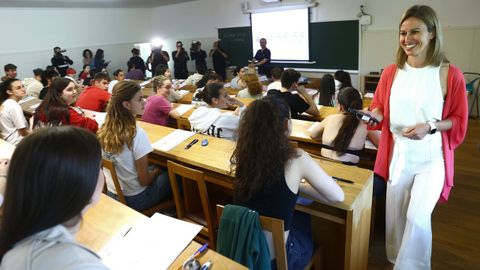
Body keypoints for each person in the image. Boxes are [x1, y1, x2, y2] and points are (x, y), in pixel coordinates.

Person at [363, 5, 468, 269]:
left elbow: (457, 120)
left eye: (415, 32)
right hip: (399, 154)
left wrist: (430, 125)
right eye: (402, 33)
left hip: (431, 158)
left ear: (432, 33)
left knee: (417, 217)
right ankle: (396, 260)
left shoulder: (448, 73)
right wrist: (374, 115)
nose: (407, 39)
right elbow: (380, 108)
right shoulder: (391, 73)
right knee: (396, 219)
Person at [231, 95, 344, 269]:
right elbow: (337, 196)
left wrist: (295, 186)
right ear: (286, 124)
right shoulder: (296, 157)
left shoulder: (244, 154)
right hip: (278, 261)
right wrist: (298, 186)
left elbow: (275, 187)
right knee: (304, 217)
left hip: (246, 250)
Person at [0, 126, 108, 269]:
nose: (102, 174)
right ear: (79, 181)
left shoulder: (15, 248)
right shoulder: (79, 264)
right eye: (99, 167)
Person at [97, 81, 172, 211]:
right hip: (136, 199)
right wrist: (155, 173)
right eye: (139, 99)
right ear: (126, 105)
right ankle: (172, 211)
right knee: (174, 175)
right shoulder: (136, 134)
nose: (144, 102)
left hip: (113, 194)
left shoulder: (104, 129)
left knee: (154, 166)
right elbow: (144, 181)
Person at [309, 87, 367, 164]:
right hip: (349, 173)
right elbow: (380, 143)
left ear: (340, 106)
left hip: (324, 171)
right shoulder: (365, 123)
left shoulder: (330, 118)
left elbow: (313, 135)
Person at [34, 77, 98, 133]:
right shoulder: (67, 113)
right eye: (70, 90)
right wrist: (88, 116)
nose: (75, 91)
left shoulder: (44, 106)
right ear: (59, 94)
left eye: (74, 88)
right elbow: (93, 127)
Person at [0, 78, 28, 145]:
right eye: (18, 88)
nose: (23, 89)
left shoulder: (6, 103)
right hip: (16, 141)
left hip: (8, 138)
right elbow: (23, 132)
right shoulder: (14, 106)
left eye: (23, 86)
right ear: (9, 92)